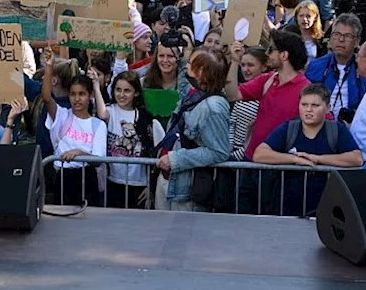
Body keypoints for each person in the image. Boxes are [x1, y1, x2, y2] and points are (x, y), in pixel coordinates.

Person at [252, 84, 363, 214]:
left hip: (327, 206)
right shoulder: (289, 128)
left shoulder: (337, 130)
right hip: (287, 207)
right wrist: (294, 159)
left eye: (315, 106)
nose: (308, 110)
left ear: (328, 108)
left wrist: (318, 159)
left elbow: (356, 158)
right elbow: (259, 154)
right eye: (304, 105)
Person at [155, 50, 231, 212]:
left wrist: (176, 159)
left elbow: (218, 152)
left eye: (191, 63)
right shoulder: (193, 94)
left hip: (186, 188)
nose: (186, 66)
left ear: (202, 71)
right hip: (170, 179)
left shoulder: (213, 107)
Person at [225, 30, 311, 159]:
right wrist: (234, 61)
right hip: (252, 158)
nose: (266, 53)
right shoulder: (267, 79)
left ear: (284, 55)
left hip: (282, 165)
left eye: (270, 50)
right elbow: (232, 95)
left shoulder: (306, 89)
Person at [43, 49, 107, 206]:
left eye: (82, 94)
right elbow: (46, 98)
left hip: (87, 179)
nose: (77, 99)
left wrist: (78, 153)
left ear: (89, 95)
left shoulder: (98, 125)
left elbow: (98, 159)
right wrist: (49, 67)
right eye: (73, 94)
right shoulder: (62, 115)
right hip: (64, 178)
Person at [94, 70, 159, 208]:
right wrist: (95, 85)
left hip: (139, 183)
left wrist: (151, 187)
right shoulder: (111, 111)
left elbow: (155, 153)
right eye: (118, 90)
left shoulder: (145, 118)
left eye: (127, 91)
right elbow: (101, 114)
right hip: (113, 181)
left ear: (136, 93)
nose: (121, 95)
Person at [305, 13, 366, 119]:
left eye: (347, 36)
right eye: (337, 34)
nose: (341, 40)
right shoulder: (316, 66)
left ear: (356, 41)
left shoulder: (364, 70)